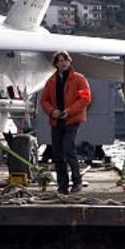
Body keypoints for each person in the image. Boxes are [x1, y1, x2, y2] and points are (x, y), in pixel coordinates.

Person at [40, 51, 92, 194]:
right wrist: (52, 111)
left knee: (68, 148)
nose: (62, 63)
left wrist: (70, 110)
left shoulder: (79, 79)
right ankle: (62, 185)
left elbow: (85, 98)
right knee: (57, 152)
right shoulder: (51, 81)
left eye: (65, 60)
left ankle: (77, 181)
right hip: (56, 120)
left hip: (72, 119)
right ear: (56, 64)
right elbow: (44, 100)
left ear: (69, 61)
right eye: (59, 61)